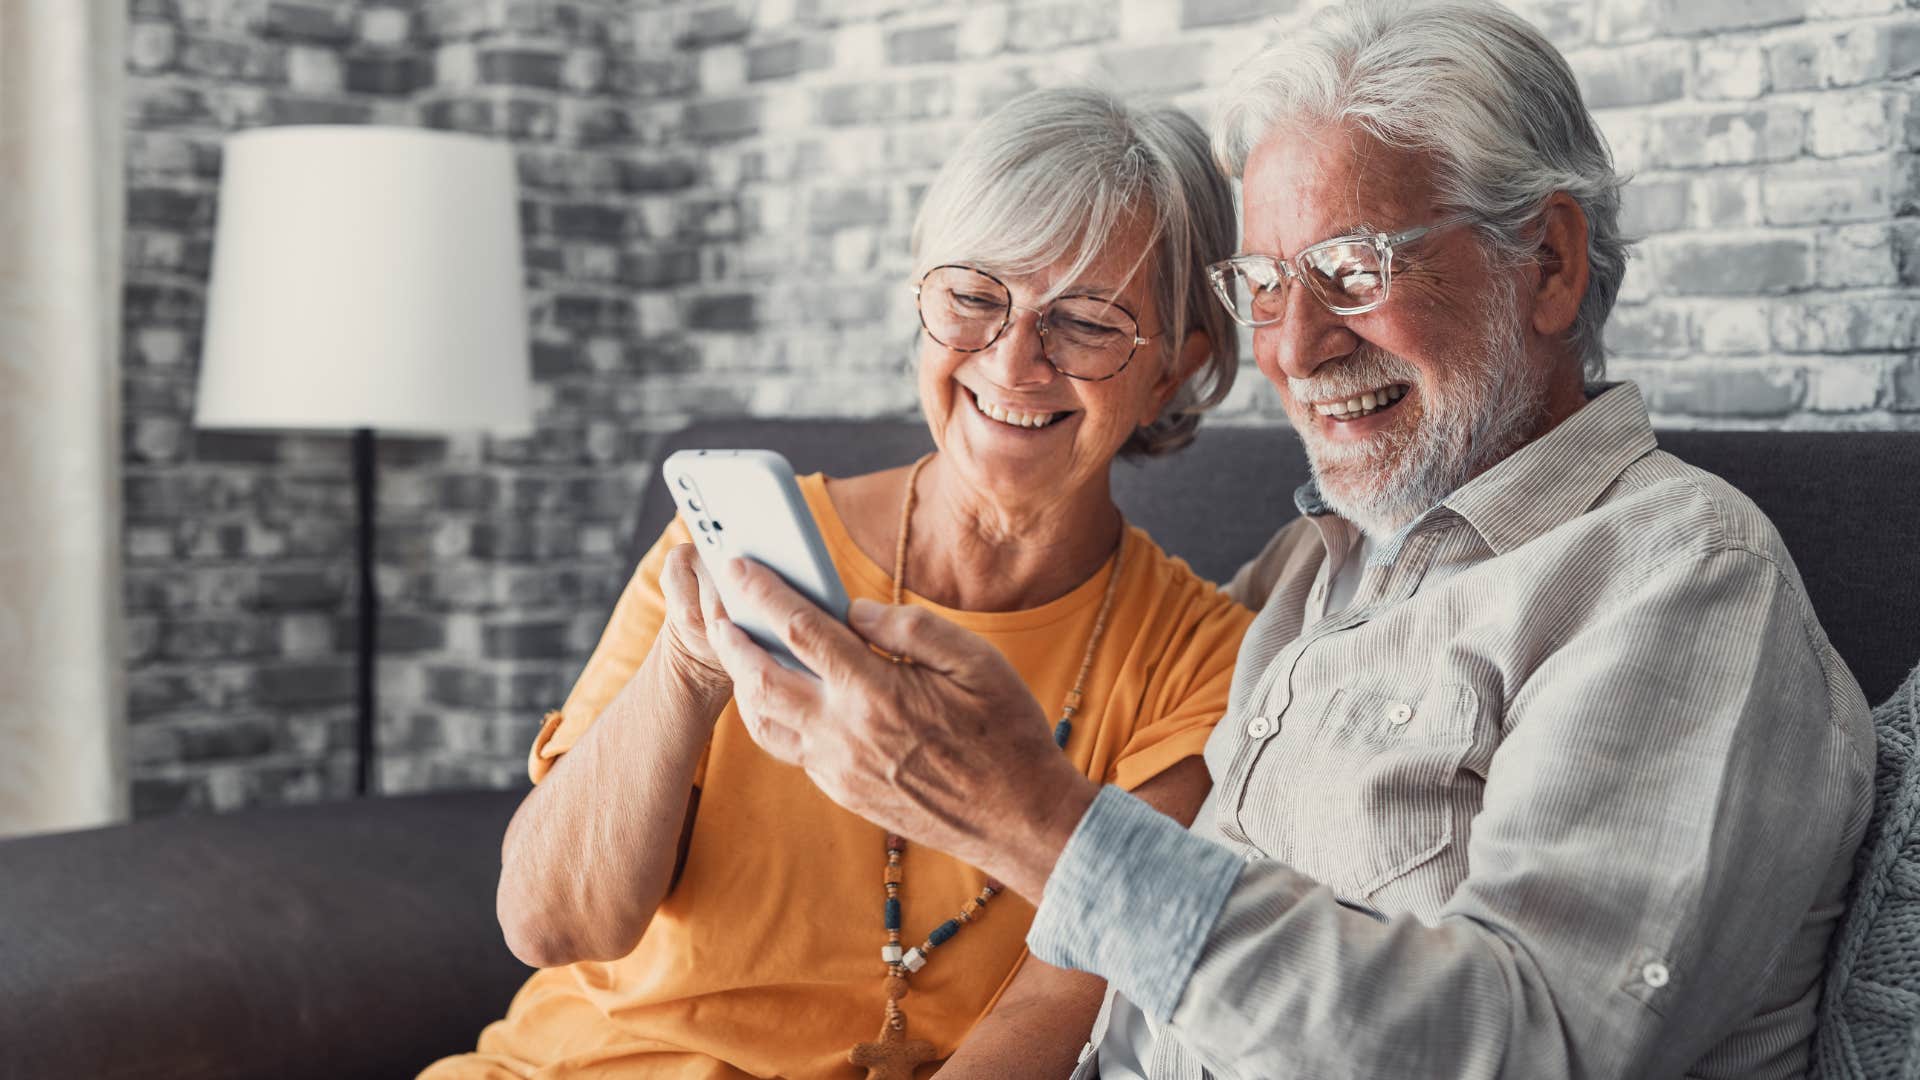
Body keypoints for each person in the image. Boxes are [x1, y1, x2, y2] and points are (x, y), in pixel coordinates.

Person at [701, 2, 1877, 1077]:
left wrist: (1036, 822)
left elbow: (1530, 1045)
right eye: (1263, 283)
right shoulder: (1310, 571)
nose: (1295, 348)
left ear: (1550, 264)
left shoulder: (1678, 579)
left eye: (1354, 272)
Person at [420, 87, 1256, 1080]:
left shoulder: (1203, 661)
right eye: (975, 297)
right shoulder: (728, 546)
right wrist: (690, 671)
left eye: (1084, 320)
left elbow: (1057, 1003)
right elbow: (549, 922)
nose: (1015, 359)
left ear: (1174, 369)